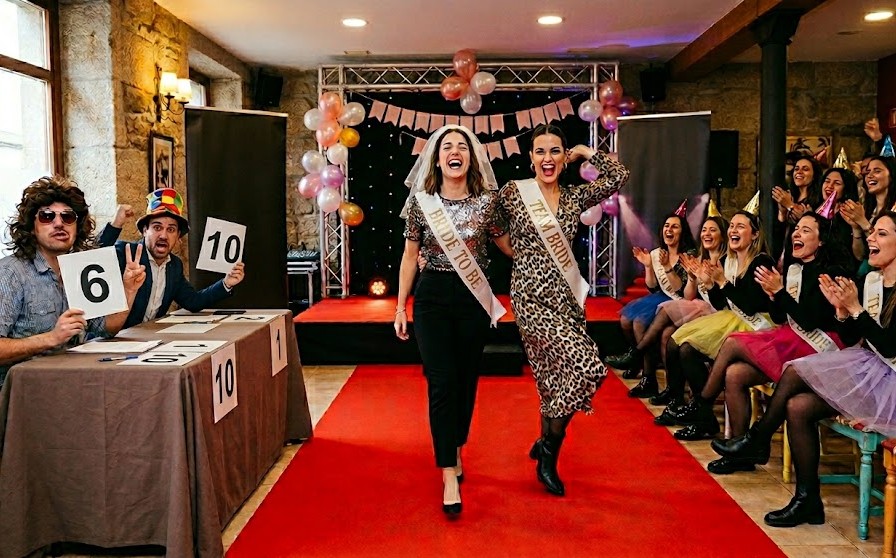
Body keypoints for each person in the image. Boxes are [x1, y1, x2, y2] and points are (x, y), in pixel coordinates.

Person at [712, 211, 896, 527]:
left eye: (881, 234)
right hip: (869, 368)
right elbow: (854, 335)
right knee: (797, 408)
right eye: (872, 233)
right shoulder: (871, 281)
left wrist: (853, 309)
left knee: (796, 370)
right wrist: (843, 312)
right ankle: (808, 500)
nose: (871, 239)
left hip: (890, 379)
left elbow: (891, 347)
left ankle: (758, 438)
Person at [498, 123, 629, 496]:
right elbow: (489, 223)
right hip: (530, 299)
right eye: (540, 152)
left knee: (554, 380)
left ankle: (545, 442)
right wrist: (515, 252)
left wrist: (586, 153)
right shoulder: (514, 193)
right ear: (530, 158)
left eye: (555, 151)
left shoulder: (573, 198)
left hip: (567, 300)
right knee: (588, 366)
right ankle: (549, 457)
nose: (547, 159)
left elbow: (618, 175)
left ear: (563, 157)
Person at [394, 125, 510, 517]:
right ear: (437, 157)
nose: (455, 152)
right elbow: (410, 257)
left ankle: (456, 444)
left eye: (462, 146)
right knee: (441, 383)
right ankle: (447, 470)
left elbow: (506, 245)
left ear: (472, 157)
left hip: (473, 300)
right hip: (432, 299)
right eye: (448, 147)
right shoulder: (421, 203)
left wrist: (545, 235)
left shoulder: (488, 202)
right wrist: (399, 307)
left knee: (465, 380)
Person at [676, 213, 850, 472]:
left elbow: (809, 322)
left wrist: (778, 293)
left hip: (817, 347)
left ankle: (703, 406)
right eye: (796, 230)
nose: (797, 235)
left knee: (734, 342)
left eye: (805, 231)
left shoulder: (829, 272)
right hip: (790, 338)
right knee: (734, 374)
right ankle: (741, 451)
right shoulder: (793, 270)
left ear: (822, 240)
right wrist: (775, 297)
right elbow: (783, 316)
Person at [0, 176, 145, 386]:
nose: (59, 223)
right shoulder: (11, 273)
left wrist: (129, 290)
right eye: (47, 216)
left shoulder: (81, 267)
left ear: (77, 227)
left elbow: (107, 328)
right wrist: (51, 338)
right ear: (31, 227)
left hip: (72, 383)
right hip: (20, 395)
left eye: (68, 217)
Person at [658, 210, 775, 440]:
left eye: (740, 226)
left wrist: (721, 282)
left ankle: (701, 408)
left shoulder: (762, 261)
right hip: (731, 320)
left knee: (687, 346)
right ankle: (703, 416)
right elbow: (723, 304)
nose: (733, 230)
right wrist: (710, 284)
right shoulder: (727, 261)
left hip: (757, 327)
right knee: (685, 348)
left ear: (754, 235)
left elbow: (751, 306)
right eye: (732, 226)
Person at [97, 188, 245, 328]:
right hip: (112, 341)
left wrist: (226, 283)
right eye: (157, 227)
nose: (163, 235)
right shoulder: (125, 252)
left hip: (148, 342)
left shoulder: (174, 266)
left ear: (178, 237)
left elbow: (193, 302)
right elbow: (90, 259)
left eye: (171, 230)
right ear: (144, 231)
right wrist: (115, 224)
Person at [629, 215, 728, 402]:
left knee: (668, 328)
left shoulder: (704, 257)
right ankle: (671, 392)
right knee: (661, 331)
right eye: (704, 230)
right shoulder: (700, 258)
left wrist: (713, 283)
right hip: (694, 305)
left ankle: (638, 355)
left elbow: (693, 298)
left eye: (712, 230)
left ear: (723, 236)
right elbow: (682, 293)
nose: (706, 233)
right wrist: (691, 277)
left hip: (715, 314)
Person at [604, 210, 696, 396]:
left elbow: (680, 290)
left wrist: (668, 267)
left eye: (675, 226)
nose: (669, 230)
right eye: (666, 226)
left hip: (680, 301)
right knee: (625, 320)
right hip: (661, 296)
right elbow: (653, 287)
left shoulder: (688, 255)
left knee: (639, 323)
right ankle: (637, 361)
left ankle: (648, 377)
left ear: (682, 232)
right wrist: (648, 266)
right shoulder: (657, 254)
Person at [772, 155, 822, 262]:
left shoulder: (818, 200)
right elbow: (780, 231)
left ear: (814, 176)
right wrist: (782, 212)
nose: (799, 172)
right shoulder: (790, 196)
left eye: (805, 169)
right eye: (796, 169)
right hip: (786, 252)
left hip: (807, 256)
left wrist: (790, 205)